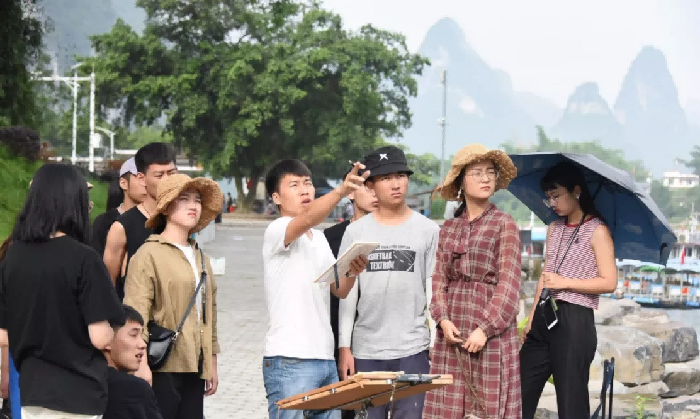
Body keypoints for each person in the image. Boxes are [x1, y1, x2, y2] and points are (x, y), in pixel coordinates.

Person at [0, 163, 124, 419]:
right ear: (74, 205)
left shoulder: (13, 256)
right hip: (79, 393)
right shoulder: (85, 259)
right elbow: (100, 337)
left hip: (32, 391)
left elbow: (3, 335)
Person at [261, 159, 370, 419]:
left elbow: (339, 289)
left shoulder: (319, 238)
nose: (304, 190)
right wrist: (342, 191)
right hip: (290, 359)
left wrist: (352, 271)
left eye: (307, 183)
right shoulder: (277, 229)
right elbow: (309, 217)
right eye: (294, 185)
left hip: (324, 358)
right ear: (276, 197)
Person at [337, 146, 440, 419]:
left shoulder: (428, 230)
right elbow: (348, 293)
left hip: (414, 349)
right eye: (385, 178)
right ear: (370, 186)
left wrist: (435, 340)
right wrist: (345, 347)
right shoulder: (356, 232)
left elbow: (432, 288)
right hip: (366, 350)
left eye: (400, 176)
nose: (395, 184)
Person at [423, 144, 522, 419]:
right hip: (452, 332)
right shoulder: (449, 228)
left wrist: (485, 329)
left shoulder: (504, 224)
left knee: (487, 407)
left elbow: (509, 285)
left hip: (491, 335)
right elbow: (438, 278)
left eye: (490, 172)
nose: (485, 178)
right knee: (447, 404)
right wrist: (442, 320)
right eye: (476, 173)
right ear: (461, 182)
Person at [519, 161, 616, 419]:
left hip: (575, 319)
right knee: (518, 393)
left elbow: (609, 282)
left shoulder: (598, 230)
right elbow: (546, 275)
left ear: (576, 191)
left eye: (557, 195)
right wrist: (531, 318)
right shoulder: (555, 228)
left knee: (571, 402)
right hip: (544, 315)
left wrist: (566, 282)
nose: (552, 203)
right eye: (548, 197)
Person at [124, 173, 223, 419]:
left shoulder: (201, 257)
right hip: (162, 365)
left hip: (195, 365)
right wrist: (140, 366)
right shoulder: (148, 254)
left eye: (197, 200)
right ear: (166, 207)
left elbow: (209, 312)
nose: (193, 206)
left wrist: (211, 362)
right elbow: (136, 313)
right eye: (184, 199)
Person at [323, 163, 378, 401]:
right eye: (368, 187)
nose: (375, 194)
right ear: (351, 192)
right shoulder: (330, 238)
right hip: (337, 334)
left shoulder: (391, 234)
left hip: (376, 336)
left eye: (377, 187)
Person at [104, 143, 178, 299]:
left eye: (171, 173)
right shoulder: (122, 227)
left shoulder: (183, 220)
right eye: (159, 175)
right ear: (141, 178)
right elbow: (107, 285)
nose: (167, 180)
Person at [103, 305, 162, 419]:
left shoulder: (79, 381)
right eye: (134, 335)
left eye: (141, 336)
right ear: (106, 339)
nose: (143, 344)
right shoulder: (134, 388)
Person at [92, 157, 145, 255]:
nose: (146, 183)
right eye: (140, 178)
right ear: (123, 183)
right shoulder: (104, 223)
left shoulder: (161, 220)